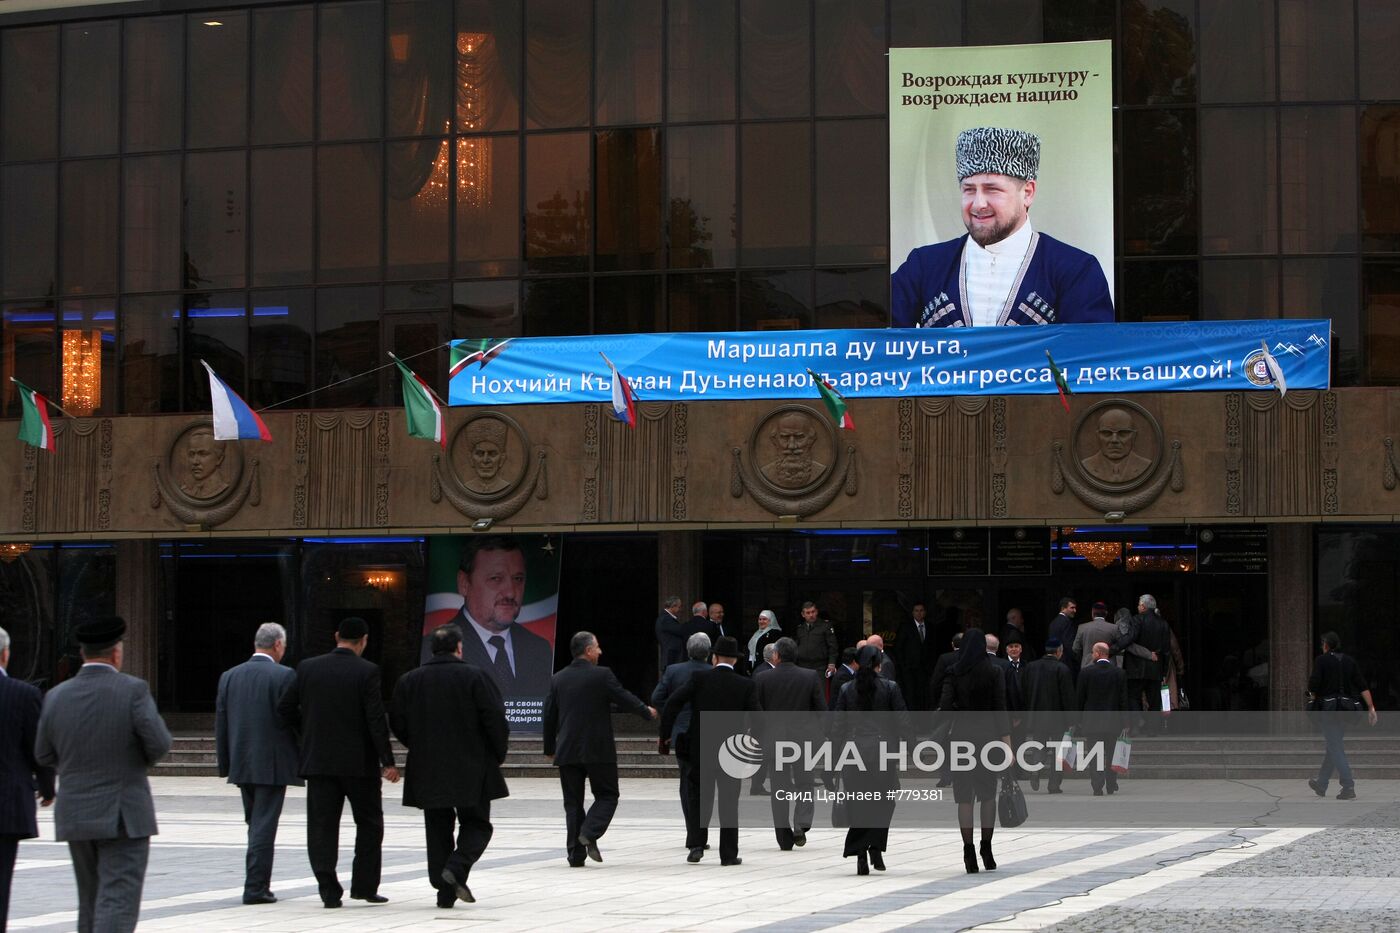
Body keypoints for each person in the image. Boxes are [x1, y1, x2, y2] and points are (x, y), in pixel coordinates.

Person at [891, 126, 1114, 328]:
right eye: (969, 189)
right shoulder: (924, 266)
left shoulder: (1076, 270)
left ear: (1027, 193)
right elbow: (879, 346)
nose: (978, 204)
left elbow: (1090, 359)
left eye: (992, 189)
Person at [34, 617, 172, 933]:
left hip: (76, 813)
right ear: (116, 653)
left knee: (90, 901)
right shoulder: (132, 690)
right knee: (118, 901)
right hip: (123, 813)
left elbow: (42, 754)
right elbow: (159, 743)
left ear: (83, 654)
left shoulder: (56, 696)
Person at [277, 616, 399, 908]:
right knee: (369, 823)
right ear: (364, 641)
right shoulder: (367, 671)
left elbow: (284, 708)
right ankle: (365, 886)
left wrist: (306, 735)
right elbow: (374, 718)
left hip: (319, 761)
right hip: (359, 764)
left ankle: (328, 888)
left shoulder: (308, 668)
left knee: (321, 826)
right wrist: (387, 760)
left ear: (336, 636)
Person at [390, 624, 509, 908]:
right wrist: (497, 753)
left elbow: (398, 722)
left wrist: (417, 745)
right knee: (478, 824)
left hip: (428, 766)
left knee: (437, 828)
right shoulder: (475, 677)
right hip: (472, 764)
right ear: (459, 648)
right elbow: (494, 718)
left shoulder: (409, 680)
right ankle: (455, 869)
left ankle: (444, 891)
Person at [542, 632, 656, 867]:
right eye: (598, 647)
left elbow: (549, 715)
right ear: (588, 651)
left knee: (572, 803)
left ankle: (575, 855)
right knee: (607, 795)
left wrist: (549, 747)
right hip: (598, 749)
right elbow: (623, 697)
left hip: (568, 750)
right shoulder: (602, 675)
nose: (601, 652)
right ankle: (590, 832)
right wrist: (646, 711)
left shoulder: (558, 678)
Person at [214, 622, 301, 905]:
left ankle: (257, 882)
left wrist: (226, 762)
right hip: (272, 763)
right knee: (264, 825)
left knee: (255, 822)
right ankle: (255, 887)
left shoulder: (230, 676)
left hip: (242, 760)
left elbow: (222, 722)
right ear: (277, 645)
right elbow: (295, 719)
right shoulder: (285, 675)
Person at [659, 636, 760, 866]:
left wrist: (665, 735)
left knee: (698, 797)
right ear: (734, 660)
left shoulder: (699, 678)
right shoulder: (745, 685)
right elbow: (758, 719)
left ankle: (696, 845)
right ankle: (728, 854)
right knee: (728, 801)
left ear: (714, 658)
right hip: (731, 752)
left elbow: (673, 702)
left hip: (700, 747)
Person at [937, 629, 1010, 874]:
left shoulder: (953, 673)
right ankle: (986, 848)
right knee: (988, 794)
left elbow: (945, 709)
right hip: (988, 738)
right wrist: (1007, 743)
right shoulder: (995, 671)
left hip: (961, 738)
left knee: (964, 796)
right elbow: (1000, 709)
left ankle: (968, 851)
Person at [833, 645, 909, 875]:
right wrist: (912, 745)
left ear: (856, 664)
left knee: (858, 803)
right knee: (884, 801)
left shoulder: (847, 688)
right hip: (883, 752)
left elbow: (837, 726)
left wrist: (833, 759)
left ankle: (861, 852)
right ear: (878, 665)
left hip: (853, 752)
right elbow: (902, 719)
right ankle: (875, 845)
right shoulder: (889, 687)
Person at [451, 536, 554, 705]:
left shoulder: (539, 648)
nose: (510, 593)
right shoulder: (436, 647)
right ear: (464, 583)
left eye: (518, 579)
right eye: (496, 579)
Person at [0, 625, 54, 931]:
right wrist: (48, 787)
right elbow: (38, 749)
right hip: (6, 805)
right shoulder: (23, 694)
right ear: (6, 655)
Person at [752, 637, 825, 851]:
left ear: (776, 655)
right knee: (805, 783)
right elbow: (822, 711)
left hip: (775, 741)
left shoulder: (763, 678)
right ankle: (801, 823)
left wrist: (758, 738)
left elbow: (756, 713)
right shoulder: (810, 676)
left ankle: (783, 837)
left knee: (779, 789)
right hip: (803, 740)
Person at [651, 633, 712, 841]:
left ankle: (692, 832)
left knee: (687, 782)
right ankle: (701, 831)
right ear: (708, 652)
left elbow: (657, 697)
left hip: (682, 733)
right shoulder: (714, 673)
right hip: (708, 733)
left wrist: (672, 715)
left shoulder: (674, 671)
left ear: (688, 649)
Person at [1307, 632, 1378, 800]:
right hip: (1345, 711)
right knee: (1334, 745)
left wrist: (1311, 701)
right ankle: (1322, 784)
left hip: (1328, 709)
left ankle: (1348, 786)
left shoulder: (1321, 660)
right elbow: (1362, 685)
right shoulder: (1349, 661)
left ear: (1326, 645)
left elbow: (1313, 685)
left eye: (1322, 643)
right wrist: (1371, 707)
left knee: (1335, 746)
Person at [1019, 639, 1076, 794]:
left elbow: (1024, 691)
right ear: (1059, 651)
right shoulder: (1062, 669)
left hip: (1037, 716)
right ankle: (1054, 785)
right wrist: (1072, 720)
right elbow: (1068, 697)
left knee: (1039, 745)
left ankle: (1035, 769)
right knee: (1059, 751)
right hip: (1058, 718)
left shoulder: (1031, 667)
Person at [1077, 642, 1130, 796]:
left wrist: (1078, 719)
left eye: (1093, 652)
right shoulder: (1119, 673)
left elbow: (1080, 698)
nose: (1092, 655)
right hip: (1114, 722)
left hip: (1091, 722)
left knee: (1095, 754)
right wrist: (1125, 722)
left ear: (1098, 653)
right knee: (1112, 753)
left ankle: (1097, 785)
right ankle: (1111, 783)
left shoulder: (1086, 673)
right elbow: (1123, 700)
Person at [1114, 594, 1169, 733]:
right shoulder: (1163, 623)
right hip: (1155, 668)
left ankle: (1136, 727)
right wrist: (1164, 671)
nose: (1138, 607)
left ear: (1143, 606)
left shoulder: (1137, 620)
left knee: (1133, 697)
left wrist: (1112, 648)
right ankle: (1152, 730)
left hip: (1135, 667)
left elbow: (1129, 639)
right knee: (1154, 701)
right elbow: (1166, 650)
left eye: (1139, 604)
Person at [1081, 407, 1153, 484]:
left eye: (1123, 433)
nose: (1114, 440)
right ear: (1098, 436)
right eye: (1107, 433)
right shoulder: (1086, 465)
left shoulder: (1145, 465)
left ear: (1133, 436)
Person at [760, 411, 828, 489]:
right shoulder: (767, 472)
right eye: (785, 437)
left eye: (799, 437)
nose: (792, 446)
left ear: (810, 439)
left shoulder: (820, 471)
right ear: (775, 440)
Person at [893, 602, 937, 710]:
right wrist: (903, 666)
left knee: (926, 695)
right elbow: (898, 648)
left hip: (926, 669)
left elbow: (934, 647)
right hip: (910, 669)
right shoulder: (905, 627)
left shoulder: (931, 627)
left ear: (925, 612)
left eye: (921, 610)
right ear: (913, 613)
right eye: (916, 611)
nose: (919, 613)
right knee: (911, 695)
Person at [462, 417, 510, 494]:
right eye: (480, 454)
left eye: (492, 454)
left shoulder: (506, 486)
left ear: (502, 459)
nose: (485, 460)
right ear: (471, 458)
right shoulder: (467, 486)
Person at [792, 602, 838, 681]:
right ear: (803, 614)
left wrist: (832, 663)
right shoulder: (800, 628)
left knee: (819, 691)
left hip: (819, 666)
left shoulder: (825, 626)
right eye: (808, 613)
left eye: (813, 612)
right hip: (802, 666)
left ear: (816, 612)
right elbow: (795, 646)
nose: (811, 615)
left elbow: (833, 646)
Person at [179, 427, 229, 499]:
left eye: (203, 454)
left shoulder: (223, 489)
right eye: (192, 454)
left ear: (219, 459)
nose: (195, 462)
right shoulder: (186, 490)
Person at [1071, 603, 1117, 670]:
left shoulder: (1082, 628)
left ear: (1092, 613)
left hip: (1087, 666)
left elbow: (1075, 648)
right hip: (1109, 667)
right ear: (1106, 613)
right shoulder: (1114, 628)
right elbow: (1119, 647)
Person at [656, 596, 687, 670]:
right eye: (679, 607)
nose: (680, 610)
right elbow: (680, 630)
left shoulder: (665, 618)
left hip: (672, 659)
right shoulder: (666, 619)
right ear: (673, 606)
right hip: (672, 658)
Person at [1047, 598, 1078, 668]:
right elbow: (1069, 644)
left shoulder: (1053, 622)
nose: (1075, 611)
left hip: (1054, 661)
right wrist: (1076, 658)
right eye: (1072, 608)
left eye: (1075, 608)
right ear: (1063, 608)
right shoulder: (1067, 623)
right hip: (1066, 662)